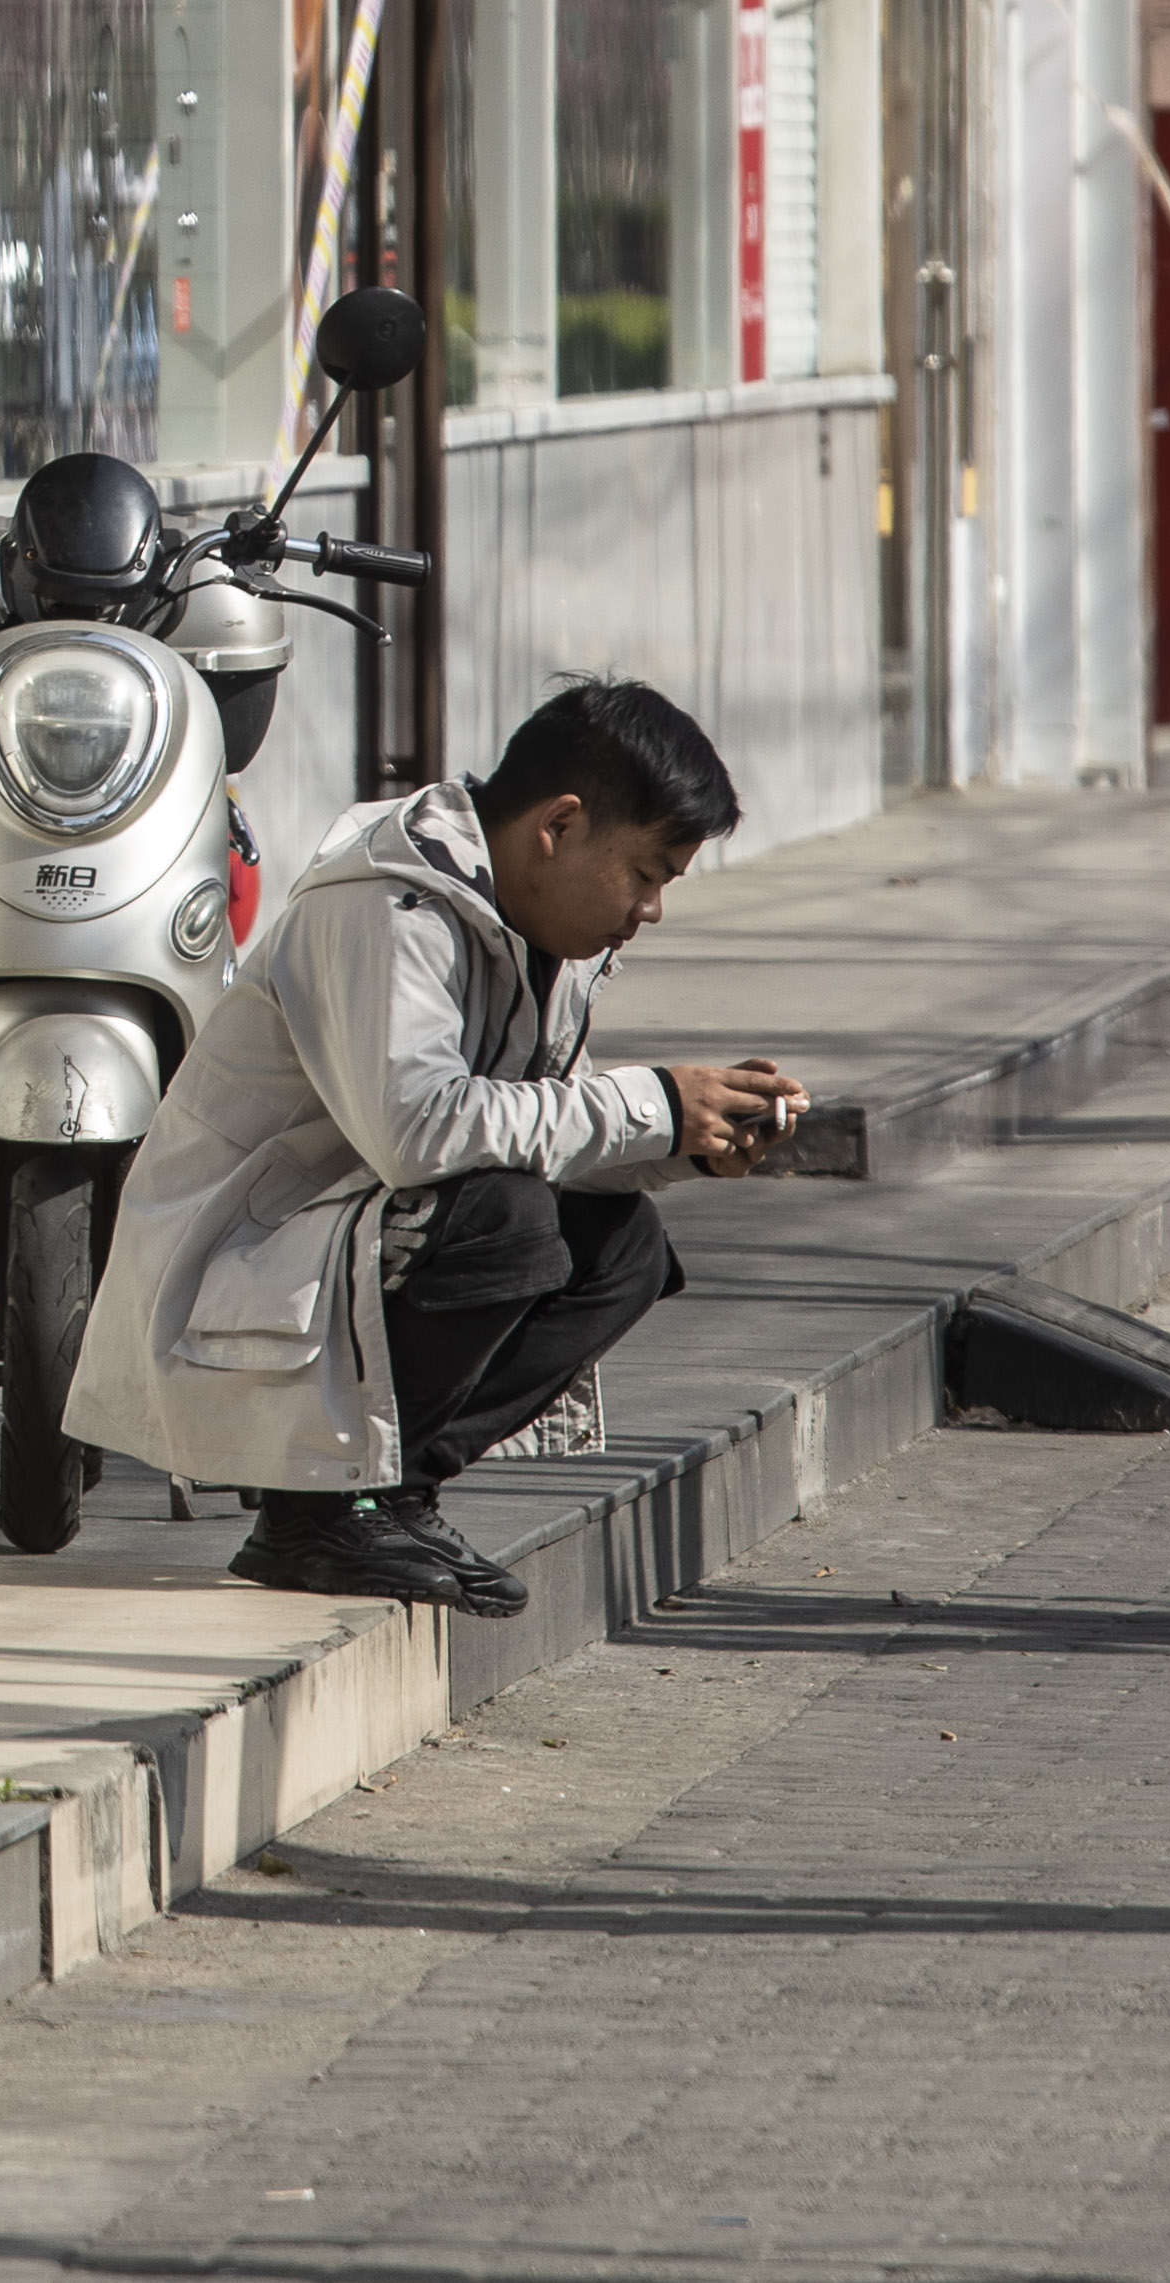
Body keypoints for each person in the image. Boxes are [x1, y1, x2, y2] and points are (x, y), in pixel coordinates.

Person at [58, 677, 802, 1617]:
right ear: (559, 824)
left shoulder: (539, 935)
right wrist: (652, 1102)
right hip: (226, 1283)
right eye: (647, 872)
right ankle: (313, 1514)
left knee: (623, 1246)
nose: (649, 909)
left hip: (338, 1261)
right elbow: (421, 1130)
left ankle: (386, 1496)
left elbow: (537, 1124)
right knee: (506, 1214)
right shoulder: (387, 905)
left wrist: (690, 1136)